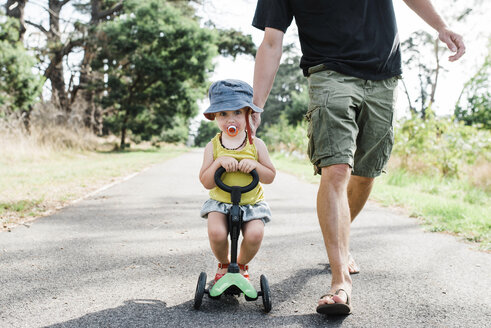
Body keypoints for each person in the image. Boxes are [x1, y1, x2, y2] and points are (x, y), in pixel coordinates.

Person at [251, 0, 465, 315]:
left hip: (384, 75)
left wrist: (441, 25)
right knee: (336, 170)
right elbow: (271, 42)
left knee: (366, 173)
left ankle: (340, 240)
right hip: (329, 74)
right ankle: (340, 282)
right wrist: (256, 107)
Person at [199, 79, 276, 283]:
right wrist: (218, 164)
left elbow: (270, 176)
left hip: (251, 203)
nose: (230, 119)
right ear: (215, 116)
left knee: (255, 234)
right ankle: (224, 265)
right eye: (223, 113)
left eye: (237, 112)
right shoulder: (213, 147)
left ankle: (240, 266)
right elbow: (206, 182)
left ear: (248, 114)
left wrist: (255, 165)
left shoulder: (256, 145)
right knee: (216, 232)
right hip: (220, 202)